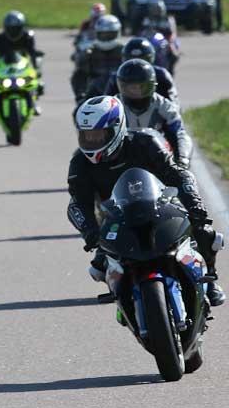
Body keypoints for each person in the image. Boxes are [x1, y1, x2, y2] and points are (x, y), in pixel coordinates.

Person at [67, 96, 225, 306]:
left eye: (98, 135)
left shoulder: (147, 142)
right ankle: (128, 302)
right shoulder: (79, 163)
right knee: (100, 269)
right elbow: (77, 204)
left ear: (117, 128)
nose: (92, 142)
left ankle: (211, 279)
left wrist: (196, 208)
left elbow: (179, 175)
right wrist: (91, 233)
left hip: (163, 205)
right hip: (117, 219)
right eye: (86, 136)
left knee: (206, 234)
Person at [115, 59, 192, 167]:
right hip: (121, 164)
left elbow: (180, 134)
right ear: (122, 87)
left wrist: (182, 159)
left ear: (152, 85)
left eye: (142, 87)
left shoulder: (165, 106)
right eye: (132, 88)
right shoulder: (114, 107)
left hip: (159, 162)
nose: (137, 92)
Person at [0, 10, 43, 112]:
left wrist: (36, 73)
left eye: (16, 29)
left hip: (22, 65)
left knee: (38, 60)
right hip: (3, 65)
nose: (13, 32)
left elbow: (32, 55)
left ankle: (34, 97)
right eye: (11, 29)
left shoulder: (28, 37)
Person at [103, 37, 178, 108]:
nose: (137, 65)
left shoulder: (162, 75)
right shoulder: (116, 77)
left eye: (143, 60)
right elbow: (107, 106)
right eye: (132, 60)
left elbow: (174, 105)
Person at [71, 14, 124, 103]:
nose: (106, 37)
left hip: (121, 95)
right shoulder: (89, 53)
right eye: (103, 35)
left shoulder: (125, 51)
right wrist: (80, 96)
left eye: (109, 34)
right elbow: (79, 77)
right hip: (95, 95)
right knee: (77, 113)